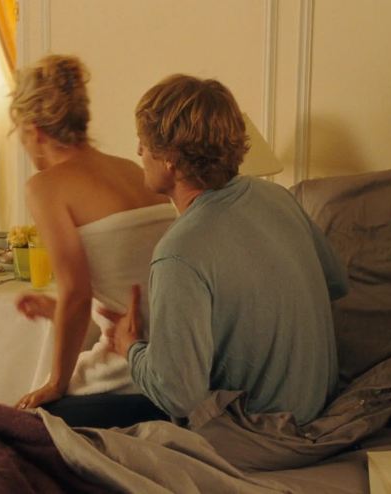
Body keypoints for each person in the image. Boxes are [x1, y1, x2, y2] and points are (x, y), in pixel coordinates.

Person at [100, 74, 349, 469]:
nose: (138, 151)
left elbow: (178, 395)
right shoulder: (277, 197)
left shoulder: (178, 252)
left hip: (263, 436)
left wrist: (130, 346)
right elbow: (335, 283)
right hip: (323, 413)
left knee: (56, 419)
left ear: (170, 159)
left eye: (143, 143)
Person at [8, 55, 176, 427]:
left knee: (26, 417)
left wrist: (56, 384)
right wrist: (58, 309)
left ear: (34, 130)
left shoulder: (45, 187)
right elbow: (136, 284)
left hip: (132, 373)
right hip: (178, 362)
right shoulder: (132, 170)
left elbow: (78, 294)